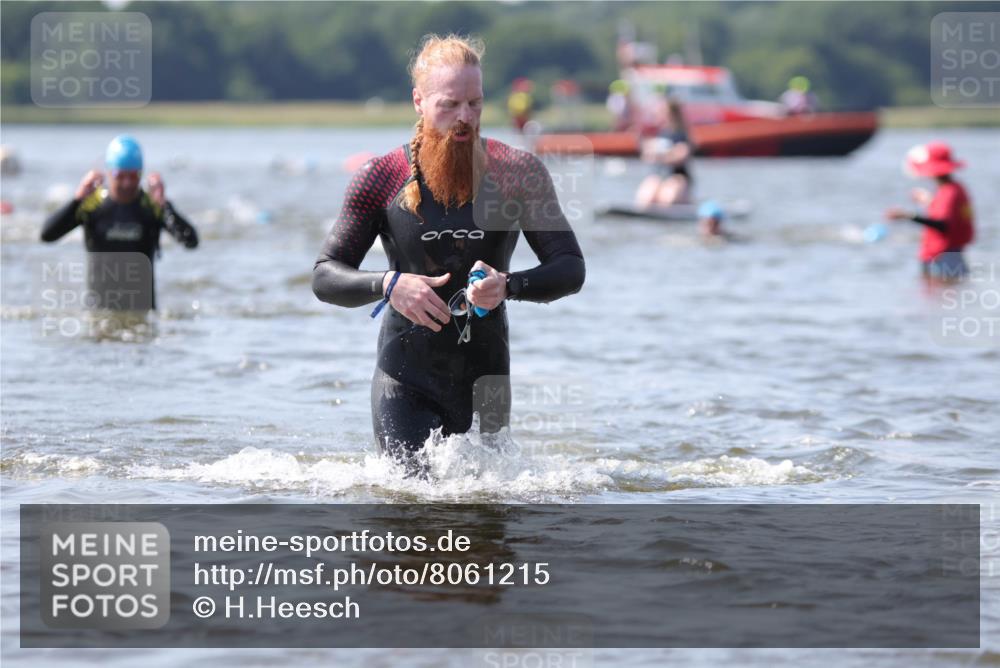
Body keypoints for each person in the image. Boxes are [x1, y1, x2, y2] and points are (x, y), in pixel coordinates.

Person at [312, 34, 585, 468]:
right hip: (405, 379)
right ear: (419, 101)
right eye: (450, 105)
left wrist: (508, 285)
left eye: (474, 104)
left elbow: (570, 267)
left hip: (487, 380)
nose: (464, 118)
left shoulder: (518, 173)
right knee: (413, 507)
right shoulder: (381, 176)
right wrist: (389, 285)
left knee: (486, 517)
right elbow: (325, 275)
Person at [40, 135, 199, 310]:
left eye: (133, 176)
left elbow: (191, 241)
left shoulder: (151, 206)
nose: (126, 183)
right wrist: (77, 199)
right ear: (108, 172)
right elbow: (47, 235)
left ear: (141, 174)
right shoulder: (92, 205)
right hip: (99, 312)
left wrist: (165, 206)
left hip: (142, 310)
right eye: (120, 175)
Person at [885, 141, 975, 281]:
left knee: (939, 298)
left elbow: (943, 224)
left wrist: (907, 216)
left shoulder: (948, 193)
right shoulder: (956, 188)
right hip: (953, 254)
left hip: (943, 256)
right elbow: (951, 217)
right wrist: (929, 201)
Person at [635, 98, 693, 208]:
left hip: (677, 176)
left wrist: (662, 157)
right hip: (660, 176)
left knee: (667, 201)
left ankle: (684, 201)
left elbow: (682, 155)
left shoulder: (681, 134)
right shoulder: (661, 134)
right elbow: (646, 156)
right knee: (646, 199)